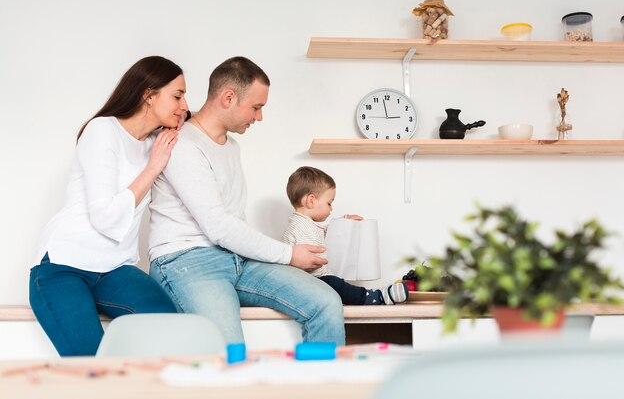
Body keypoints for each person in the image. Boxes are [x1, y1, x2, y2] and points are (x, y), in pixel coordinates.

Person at [148, 56, 345, 345]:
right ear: (228, 97)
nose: (259, 117)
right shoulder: (183, 145)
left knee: (326, 302)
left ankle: (323, 389)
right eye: (256, 107)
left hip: (236, 259)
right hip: (184, 261)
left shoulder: (232, 147)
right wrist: (290, 254)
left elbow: (232, 227)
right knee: (229, 350)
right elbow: (219, 226)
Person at [29, 56, 188, 356]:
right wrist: (153, 168)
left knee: (172, 331)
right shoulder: (102, 130)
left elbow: (198, 123)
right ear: (148, 95)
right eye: (177, 95)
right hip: (64, 266)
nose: (184, 105)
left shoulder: (156, 141)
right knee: (94, 367)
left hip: (114, 269)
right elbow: (105, 216)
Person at [282, 166, 409, 305]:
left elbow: (326, 232)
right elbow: (308, 261)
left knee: (336, 283)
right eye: (329, 203)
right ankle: (375, 297)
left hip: (311, 280)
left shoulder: (307, 224)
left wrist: (345, 221)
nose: (331, 208)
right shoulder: (300, 227)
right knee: (336, 284)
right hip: (307, 282)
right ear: (311, 201)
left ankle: (369, 295)